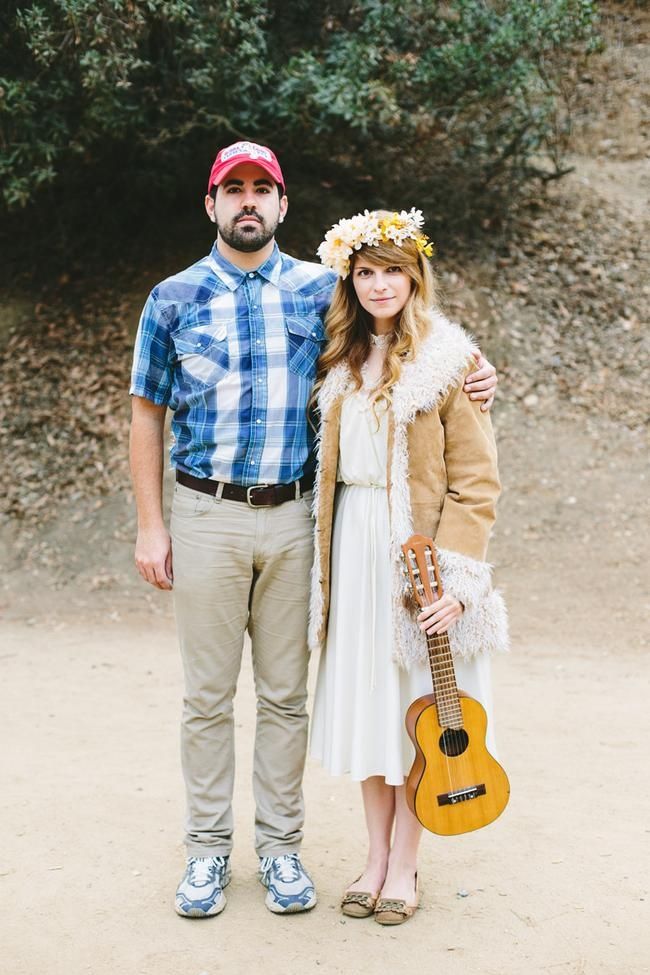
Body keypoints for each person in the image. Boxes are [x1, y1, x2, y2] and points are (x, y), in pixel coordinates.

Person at [129, 142, 499, 918]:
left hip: (312, 524)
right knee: (212, 696)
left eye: (263, 188)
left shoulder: (315, 293)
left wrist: (475, 368)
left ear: (283, 205)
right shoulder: (176, 298)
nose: (248, 201)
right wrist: (151, 524)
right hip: (218, 517)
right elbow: (145, 411)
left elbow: (417, 350)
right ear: (212, 204)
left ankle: (283, 851)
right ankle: (206, 852)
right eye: (234, 190)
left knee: (290, 696)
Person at [309, 208, 508, 925]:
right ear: (350, 281)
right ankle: (371, 855)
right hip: (352, 552)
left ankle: (405, 864)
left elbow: (476, 482)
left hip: (415, 557)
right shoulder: (336, 357)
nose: (380, 283)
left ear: (414, 275)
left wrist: (457, 583)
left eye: (393, 269)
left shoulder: (449, 360)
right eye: (366, 271)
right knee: (369, 709)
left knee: (417, 712)